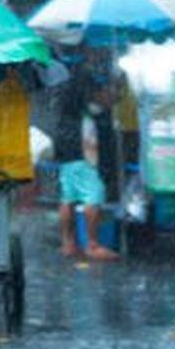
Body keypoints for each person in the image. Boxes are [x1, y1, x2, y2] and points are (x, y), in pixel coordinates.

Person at [54, 67, 120, 261]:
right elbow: (103, 106)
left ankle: (68, 243)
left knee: (68, 198)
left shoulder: (65, 98)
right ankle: (92, 245)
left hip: (67, 153)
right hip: (86, 154)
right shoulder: (88, 104)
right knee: (92, 197)